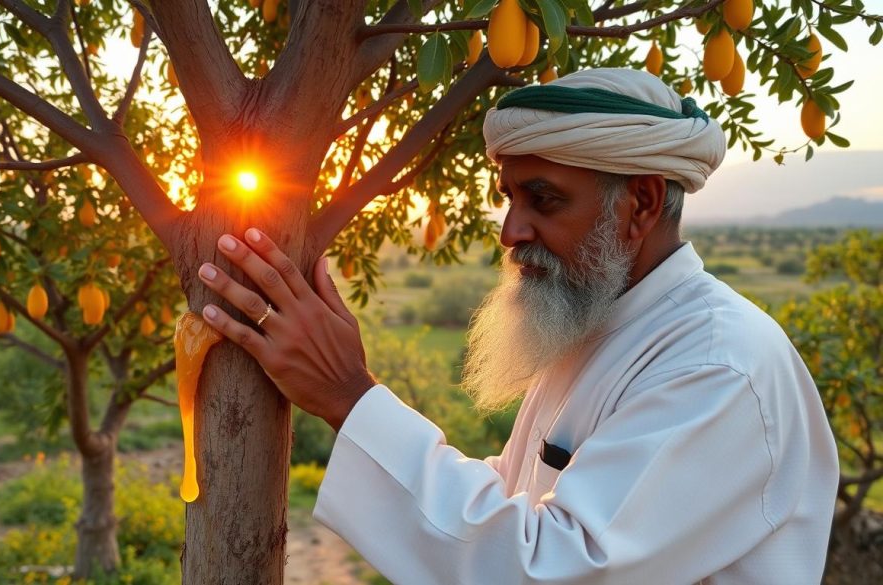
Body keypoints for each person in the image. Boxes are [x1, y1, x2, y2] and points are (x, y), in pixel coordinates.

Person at [195, 68, 839, 584]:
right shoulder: (601, 325)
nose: (511, 231)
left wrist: (349, 398)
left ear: (641, 203)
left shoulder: (718, 367)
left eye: (544, 199)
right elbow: (516, 499)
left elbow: (552, 568)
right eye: (510, 198)